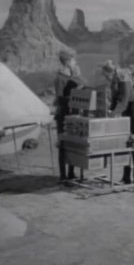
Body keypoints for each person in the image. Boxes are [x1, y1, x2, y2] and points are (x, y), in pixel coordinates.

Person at [101, 60, 134, 184]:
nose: (105, 77)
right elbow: (114, 100)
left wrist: (112, 114)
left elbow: (124, 101)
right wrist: (109, 111)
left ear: (111, 71)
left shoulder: (123, 79)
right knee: (125, 144)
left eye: (106, 74)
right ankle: (126, 176)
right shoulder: (113, 82)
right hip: (126, 112)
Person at [54, 50, 86, 181]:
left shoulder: (74, 75)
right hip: (64, 114)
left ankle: (71, 173)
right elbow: (60, 98)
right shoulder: (60, 77)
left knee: (73, 143)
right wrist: (74, 96)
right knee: (63, 144)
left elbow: (84, 85)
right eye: (73, 60)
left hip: (74, 113)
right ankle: (63, 175)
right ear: (67, 62)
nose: (75, 62)